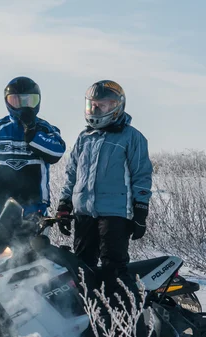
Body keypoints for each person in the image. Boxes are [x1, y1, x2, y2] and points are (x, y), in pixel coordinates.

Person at [56, 80, 153, 293]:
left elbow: (141, 175)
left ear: (117, 107)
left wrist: (140, 209)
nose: (97, 109)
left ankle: (124, 318)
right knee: (81, 269)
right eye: (93, 105)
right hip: (84, 211)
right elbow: (72, 174)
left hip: (115, 213)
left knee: (113, 269)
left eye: (104, 105)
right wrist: (64, 204)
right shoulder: (84, 137)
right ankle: (91, 315)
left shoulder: (132, 137)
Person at [0, 76, 66, 241]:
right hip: (1, 206)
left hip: (34, 205)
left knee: (31, 255)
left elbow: (56, 152)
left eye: (29, 100)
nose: (23, 106)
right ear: (8, 102)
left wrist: (32, 134)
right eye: (16, 101)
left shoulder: (46, 129)